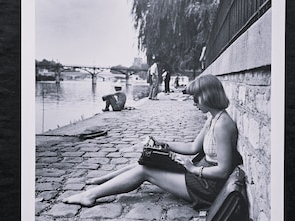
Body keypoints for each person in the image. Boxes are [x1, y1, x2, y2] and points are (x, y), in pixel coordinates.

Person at [63, 74, 242, 210]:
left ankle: (90, 195)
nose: (193, 102)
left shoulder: (223, 125)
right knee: (148, 161)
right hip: (200, 175)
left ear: (209, 96)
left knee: (145, 170)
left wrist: (194, 169)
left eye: (197, 97)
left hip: (207, 187)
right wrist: (164, 144)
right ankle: (102, 181)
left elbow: (223, 170)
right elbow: (192, 147)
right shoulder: (213, 119)